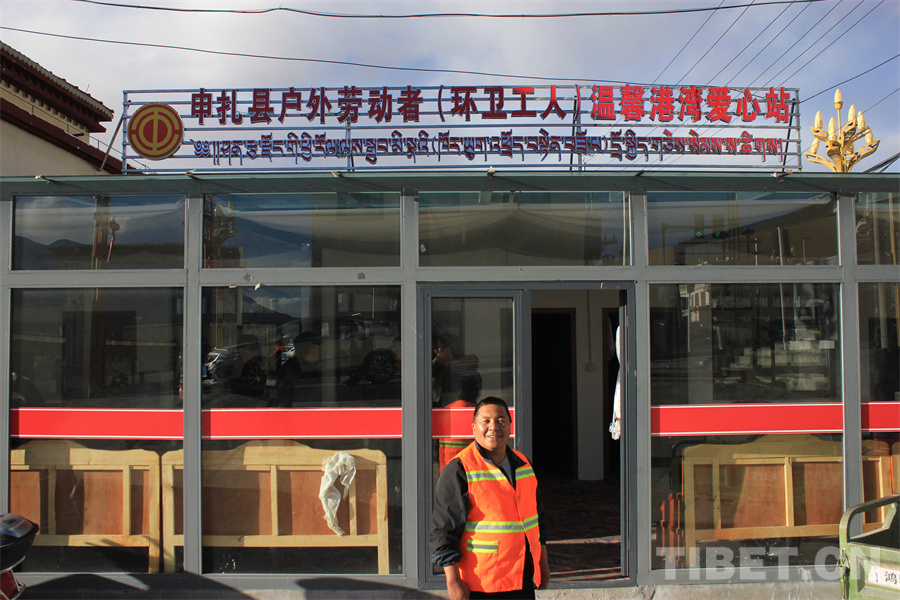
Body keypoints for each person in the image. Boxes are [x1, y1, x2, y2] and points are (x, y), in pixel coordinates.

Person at [431, 397, 550, 599]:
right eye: (485, 421)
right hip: (481, 585)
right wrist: (453, 581)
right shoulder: (459, 469)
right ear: (473, 428)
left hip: (521, 579)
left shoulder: (523, 464)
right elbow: (443, 531)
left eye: (501, 420)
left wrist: (543, 564)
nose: (493, 427)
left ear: (510, 426)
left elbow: (537, 520)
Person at [437, 370, 482, 472]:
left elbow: (442, 447)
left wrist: (442, 471)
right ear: (476, 392)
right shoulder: (478, 413)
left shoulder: (446, 411)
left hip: (449, 467)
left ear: (457, 392)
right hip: (470, 467)